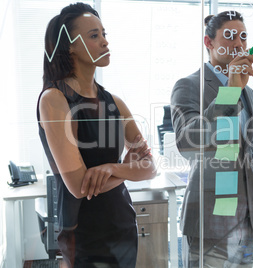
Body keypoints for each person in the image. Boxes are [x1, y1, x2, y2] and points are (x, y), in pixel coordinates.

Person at [37, 3, 156, 267]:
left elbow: (150, 167)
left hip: (123, 226)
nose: (104, 41)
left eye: (104, 33)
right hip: (84, 235)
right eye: (94, 35)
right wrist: (127, 167)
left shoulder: (114, 101)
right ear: (69, 46)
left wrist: (113, 167)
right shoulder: (54, 99)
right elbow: (80, 186)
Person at [171, 11, 253, 267]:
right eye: (229, 36)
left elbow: (249, 155)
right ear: (208, 43)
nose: (238, 44)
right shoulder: (189, 86)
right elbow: (187, 142)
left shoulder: (249, 93)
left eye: (243, 37)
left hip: (244, 219)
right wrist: (230, 91)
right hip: (209, 217)